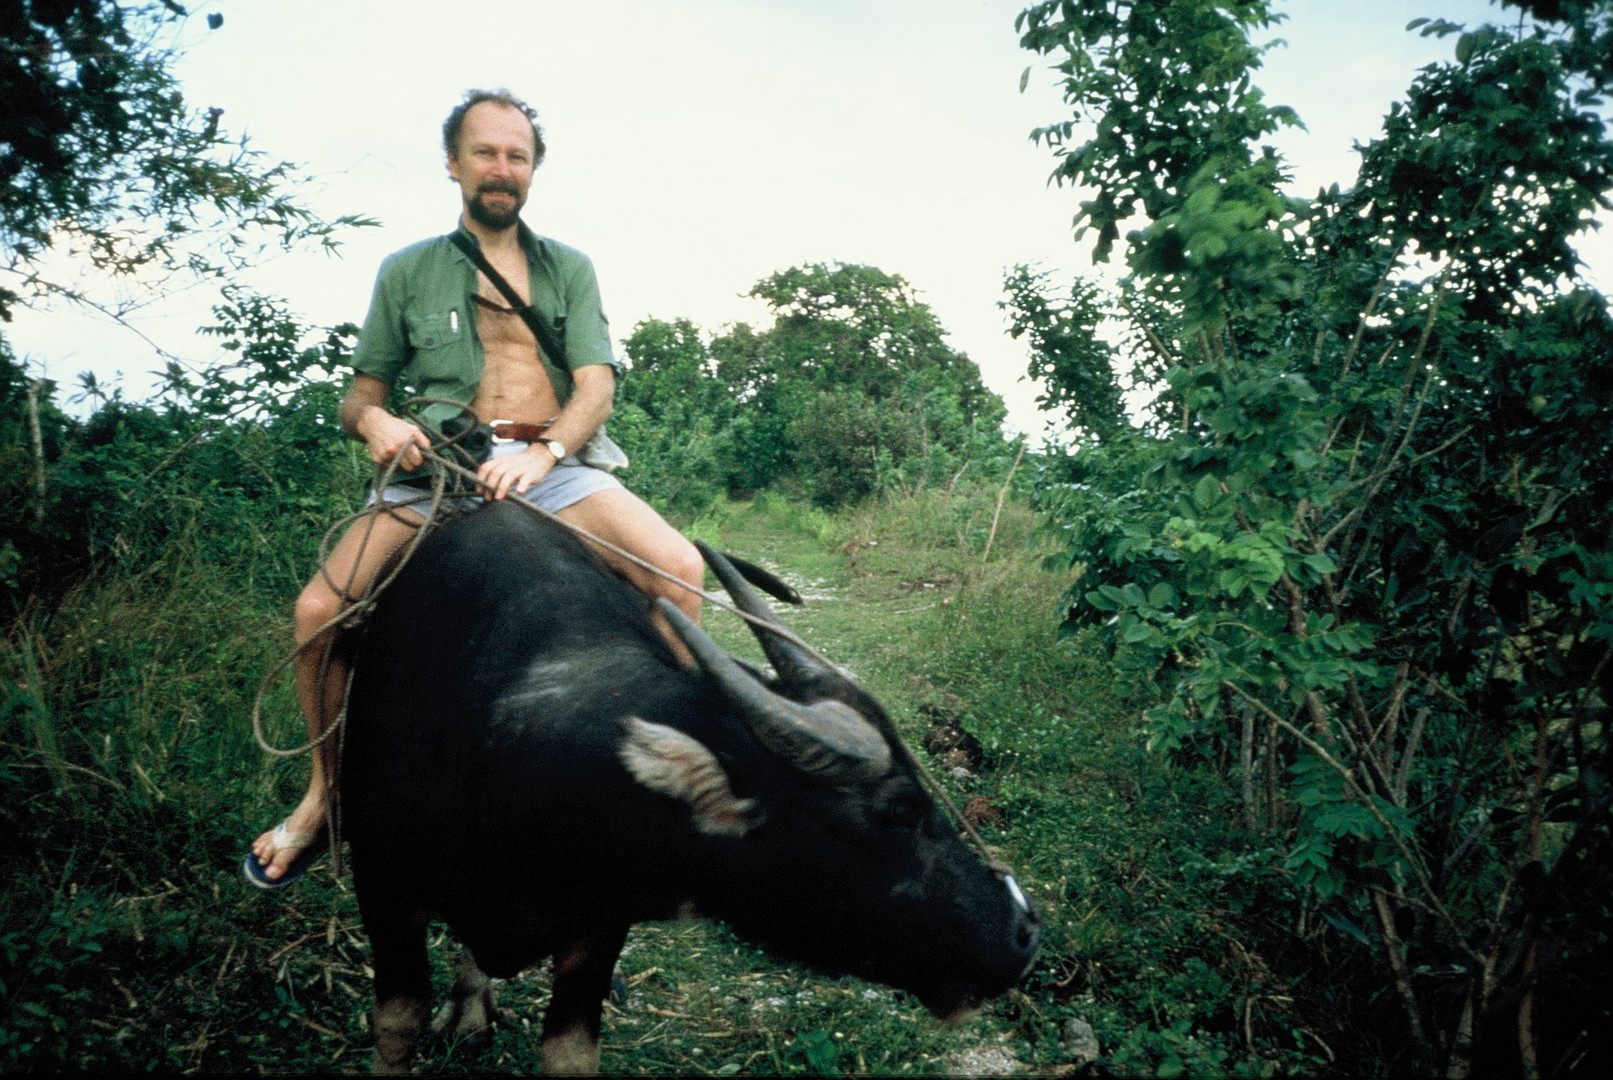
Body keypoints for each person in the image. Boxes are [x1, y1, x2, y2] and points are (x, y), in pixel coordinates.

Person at [245, 88, 705, 887]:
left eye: (517, 155)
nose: (502, 168)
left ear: (533, 170)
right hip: (436, 473)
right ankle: (325, 792)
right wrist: (380, 425)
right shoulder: (407, 270)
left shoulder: (569, 268)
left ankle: (667, 776)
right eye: (486, 152)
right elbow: (361, 394)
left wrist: (548, 451)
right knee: (319, 610)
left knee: (681, 569)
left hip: (550, 465)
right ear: (454, 163)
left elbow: (595, 386)